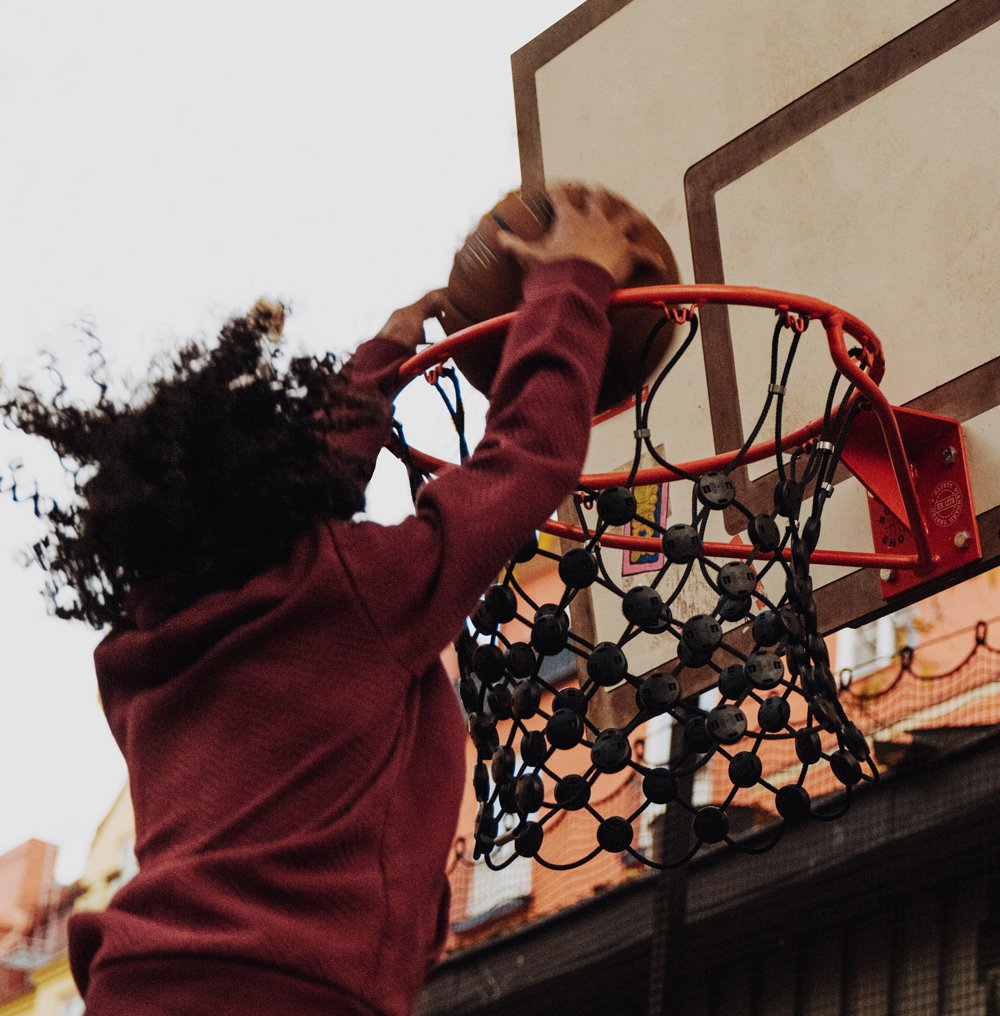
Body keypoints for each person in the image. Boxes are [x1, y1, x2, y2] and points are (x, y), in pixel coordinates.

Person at [2, 186, 662, 1015]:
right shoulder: (349, 593)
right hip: (285, 994)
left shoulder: (134, 657)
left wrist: (380, 359)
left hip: (140, 986)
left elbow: (292, 488)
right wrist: (572, 283)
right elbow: (523, 463)